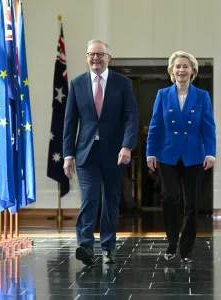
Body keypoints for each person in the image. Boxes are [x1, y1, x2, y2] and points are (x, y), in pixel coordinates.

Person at [63, 40, 139, 266]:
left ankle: (108, 248)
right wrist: (68, 155)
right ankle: (85, 246)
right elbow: (69, 122)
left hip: (114, 153)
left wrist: (127, 146)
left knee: (110, 201)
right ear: (86, 57)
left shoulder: (122, 83)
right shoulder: (77, 84)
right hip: (86, 153)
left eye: (100, 54)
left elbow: (131, 117)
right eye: (91, 54)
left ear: (109, 58)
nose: (95, 58)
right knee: (89, 199)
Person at [146, 51, 216, 263]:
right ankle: (171, 242)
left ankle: (186, 248)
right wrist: (150, 151)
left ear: (192, 71)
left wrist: (210, 152)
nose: (181, 70)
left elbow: (208, 126)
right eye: (177, 66)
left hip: (194, 155)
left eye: (186, 66)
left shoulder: (202, 96)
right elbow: (156, 125)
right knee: (168, 198)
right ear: (171, 70)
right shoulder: (162, 94)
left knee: (191, 204)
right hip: (168, 155)